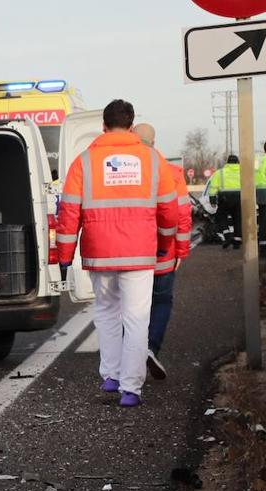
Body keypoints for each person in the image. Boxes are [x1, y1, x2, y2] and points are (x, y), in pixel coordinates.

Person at [57, 100, 177, 408]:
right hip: (139, 253)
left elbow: (69, 212)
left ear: (104, 126)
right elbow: (168, 209)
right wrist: (164, 243)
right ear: (132, 125)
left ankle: (110, 374)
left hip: (100, 253)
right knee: (137, 318)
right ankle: (131, 389)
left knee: (107, 312)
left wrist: (65, 256)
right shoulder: (152, 159)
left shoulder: (84, 161)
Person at [132, 123, 191, 381]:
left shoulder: (126, 170)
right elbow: (183, 215)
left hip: (131, 251)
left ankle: (130, 356)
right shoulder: (172, 172)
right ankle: (151, 347)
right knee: (162, 300)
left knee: (130, 305)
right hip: (163, 252)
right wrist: (181, 250)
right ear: (154, 142)